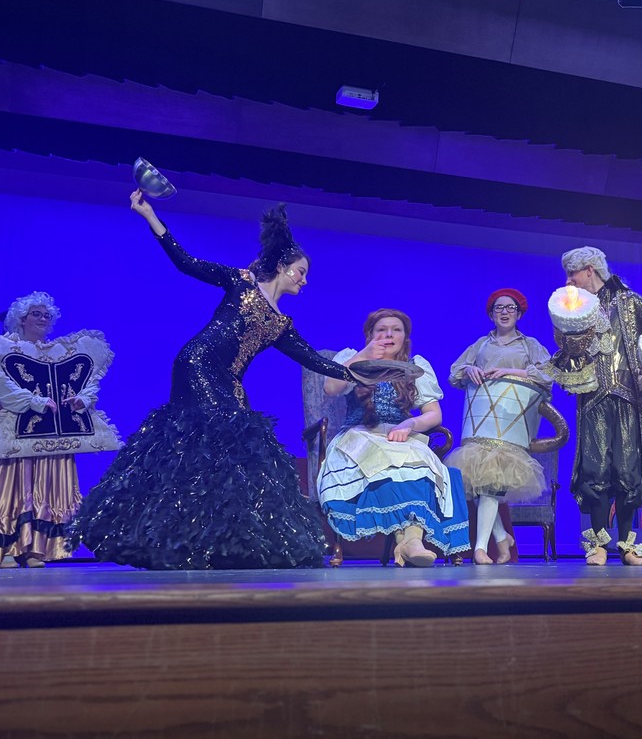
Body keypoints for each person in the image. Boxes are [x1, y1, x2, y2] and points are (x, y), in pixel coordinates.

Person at [68, 191, 416, 570]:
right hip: (197, 364)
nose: (304, 281)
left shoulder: (282, 325)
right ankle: (177, 536)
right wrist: (149, 214)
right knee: (204, 443)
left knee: (238, 449)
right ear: (283, 267)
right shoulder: (241, 282)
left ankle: (212, 540)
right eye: (301, 272)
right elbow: (186, 263)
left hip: (229, 379)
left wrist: (359, 367)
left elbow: (315, 360)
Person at [317, 309, 470, 567]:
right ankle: (409, 543)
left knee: (421, 466)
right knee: (383, 465)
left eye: (396, 330)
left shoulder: (416, 367)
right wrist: (364, 355)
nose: (389, 334)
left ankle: (410, 541)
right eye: (381, 330)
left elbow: (434, 415)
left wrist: (410, 424)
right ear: (370, 335)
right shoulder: (351, 359)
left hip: (400, 435)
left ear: (405, 337)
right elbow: (331, 388)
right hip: (360, 434)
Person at [548, 247, 642, 566]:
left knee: (628, 470)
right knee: (595, 469)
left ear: (589, 270)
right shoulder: (573, 308)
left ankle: (627, 545)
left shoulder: (635, 303)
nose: (569, 280)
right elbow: (566, 349)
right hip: (594, 395)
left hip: (629, 395)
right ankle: (597, 543)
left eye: (573, 273)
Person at [0, 293, 90, 568]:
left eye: (46, 315)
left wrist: (82, 400)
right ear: (22, 318)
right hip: (14, 426)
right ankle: (4, 550)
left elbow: (81, 383)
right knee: (11, 486)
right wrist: (34, 402)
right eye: (36, 314)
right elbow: (3, 389)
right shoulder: (5, 349)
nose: (42, 319)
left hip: (49, 429)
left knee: (44, 485)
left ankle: (36, 550)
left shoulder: (57, 353)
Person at [446, 289, 552, 565]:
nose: (504, 312)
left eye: (510, 308)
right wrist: (469, 369)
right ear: (491, 314)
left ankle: (481, 548)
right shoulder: (481, 344)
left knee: (489, 485)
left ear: (519, 313)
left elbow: (548, 375)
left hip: (510, 424)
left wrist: (513, 372)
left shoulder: (529, 345)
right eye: (498, 308)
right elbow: (455, 372)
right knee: (484, 483)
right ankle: (501, 538)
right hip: (480, 425)